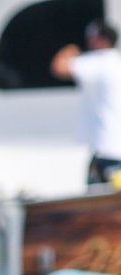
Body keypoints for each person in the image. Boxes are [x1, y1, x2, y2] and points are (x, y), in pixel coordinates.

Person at [53, 21, 121, 185]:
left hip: (107, 148)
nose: (88, 41)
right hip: (113, 148)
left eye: (91, 37)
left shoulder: (97, 62)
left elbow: (59, 68)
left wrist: (70, 49)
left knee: (99, 197)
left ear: (101, 40)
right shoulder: (117, 62)